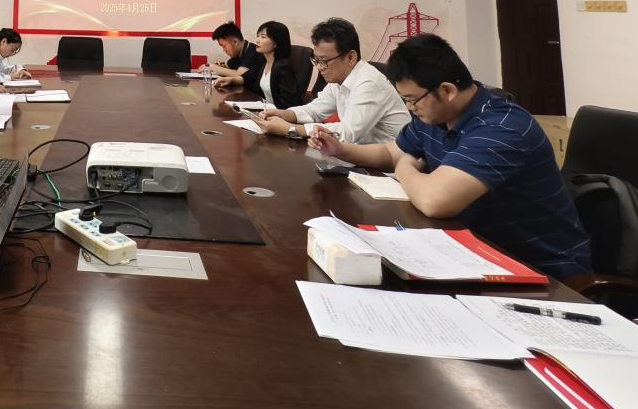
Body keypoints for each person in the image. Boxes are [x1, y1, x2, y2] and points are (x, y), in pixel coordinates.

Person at [309, 33, 591, 280]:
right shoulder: (436, 114)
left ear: (447, 90)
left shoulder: (502, 128)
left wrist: (404, 167)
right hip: (473, 251)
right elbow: (389, 151)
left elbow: (435, 201)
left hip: (541, 272)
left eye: (411, 100)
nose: (410, 108)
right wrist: (341, 150)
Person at [255, 17, 407, 143]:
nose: (319, 67)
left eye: (324, 61)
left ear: (351, 57)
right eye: (316, 60)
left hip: (388, 165)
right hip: (358, 154)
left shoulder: (369, 82)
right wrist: (283, 114)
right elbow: (315, 110)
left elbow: (347, 132)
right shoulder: (339, 79)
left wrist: (290, 129)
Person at [223, 21, 302, 108]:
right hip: (266, 110)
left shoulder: (282, 66)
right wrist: (232, 80)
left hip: (278, 114)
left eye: (263, 37)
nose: (257, 40)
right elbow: (249, 77)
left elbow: (288, 103)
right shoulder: (264, 61)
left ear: (275, 43)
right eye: (258, 36)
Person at [206, 22, 258, 88]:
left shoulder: (254, 51)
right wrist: (219, 67)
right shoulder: (237, 54)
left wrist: (215, 68)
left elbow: (240, 76)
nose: (224, 50)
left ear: (235, 42)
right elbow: (228, 67)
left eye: (224, 46)